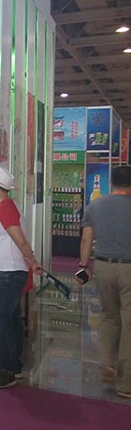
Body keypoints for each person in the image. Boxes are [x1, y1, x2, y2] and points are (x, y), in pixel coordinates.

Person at [0, 165, 43, 389]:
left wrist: (32, 260)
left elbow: (20, 240)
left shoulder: (6, 208)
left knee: (3, 321)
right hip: (8, 271)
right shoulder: (7, 206)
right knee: (12, 318)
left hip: (9, 273)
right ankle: (13, 364)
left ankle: (8, 370)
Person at [79, 165, 131, 399]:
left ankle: (107, 363)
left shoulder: (96, 205)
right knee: (129, 322)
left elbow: (86, 239)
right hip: (129, 268)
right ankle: (126, 383)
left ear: (112, 183)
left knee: (110, 316)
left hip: (102, 266)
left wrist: (83, 266)